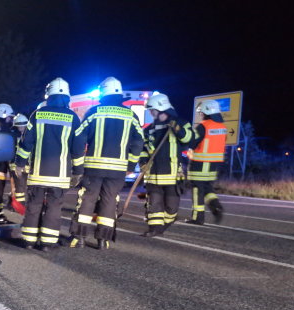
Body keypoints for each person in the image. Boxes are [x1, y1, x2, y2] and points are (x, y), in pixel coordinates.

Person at [69, 77, 144, 249]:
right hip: (118, 170)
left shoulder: (94, 112)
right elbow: (138, 142)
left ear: (103, 93)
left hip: (93, 167)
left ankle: (79, 238)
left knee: (87, 199)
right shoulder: (131, 115)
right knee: (109, 201)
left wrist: (78, 166)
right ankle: (103, 241)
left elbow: (79, 138)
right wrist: (130, 166)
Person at [14, 77, 83, 250]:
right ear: (67, 97)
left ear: (48, 96)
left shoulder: (37, 114)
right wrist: (78, 171)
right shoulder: (73, 118)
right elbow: (78, 148)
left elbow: (26, 143)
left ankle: (29, 241)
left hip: (38, 172)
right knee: (54, 208)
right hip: (60, 176)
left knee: (34, 205)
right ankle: (47, 243)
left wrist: (19, 164)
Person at [139, 93, 193, 237]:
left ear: (160, 108)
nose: (151, 113)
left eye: (152, 110)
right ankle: (154, 229)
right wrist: (143, 162)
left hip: (172, 174)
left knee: (171, 207)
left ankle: (164, 225)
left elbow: (188, 138)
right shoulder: (149, 129)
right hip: (153, 174)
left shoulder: (181, 123)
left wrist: (175, 127)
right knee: (154, 204)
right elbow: (143, 149)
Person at [185, 99, 226, 224]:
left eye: (201, 112)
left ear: (206, 112)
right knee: (207, 187)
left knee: (197, 189)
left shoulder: (203, 126)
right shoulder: (222, 127)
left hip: (200, 162)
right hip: (214, 164)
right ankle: (216, 207)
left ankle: (197, 217)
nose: (201, 114)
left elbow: (192, 142)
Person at [10, 113, 31, 211]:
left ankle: (24, 205)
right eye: (19, 127)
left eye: (22, 126)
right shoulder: (14, 136)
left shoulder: (29, 135)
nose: (20, 129)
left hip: (28, 166)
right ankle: (19, 206)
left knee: (27, 187)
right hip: (17, 166)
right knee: (20, 187)